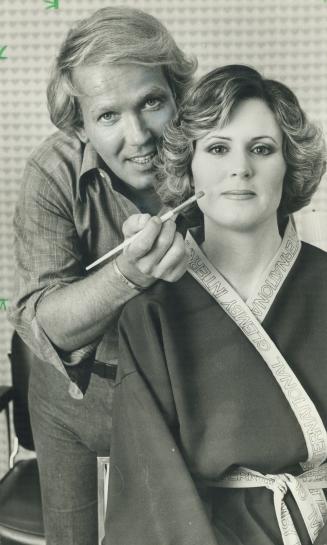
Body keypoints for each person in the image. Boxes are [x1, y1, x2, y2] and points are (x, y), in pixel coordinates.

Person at [106, 65, 327, 545]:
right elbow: (151, 495)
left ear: (291, 165)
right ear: (187, 167)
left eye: (262, 149)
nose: (240, 169)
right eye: (218, 148)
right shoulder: (151, 313)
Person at [7, 6, 196, 545]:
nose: (138, 136)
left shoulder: (211, 153)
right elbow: (48, 327)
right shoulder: (51, 173)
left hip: (181, 396)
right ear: (79, 123)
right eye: (109, 115)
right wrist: (127, 276)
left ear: (176, 95)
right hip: (74, 400)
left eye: (152, 102)